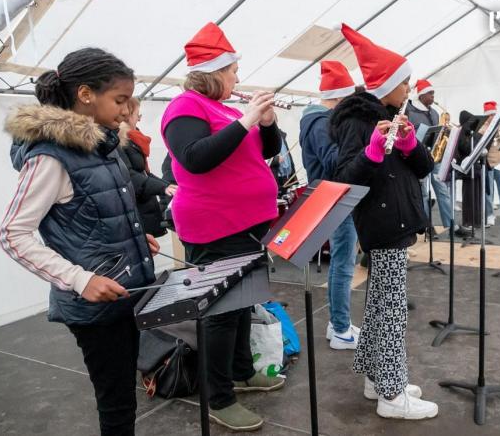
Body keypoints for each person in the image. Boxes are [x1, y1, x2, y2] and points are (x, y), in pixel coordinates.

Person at [0, 48, 159, 436]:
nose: (126, 110)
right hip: (95, 306)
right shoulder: (50, 157)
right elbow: (12, 233)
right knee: (117, 402)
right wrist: (79, 279)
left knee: (123, 393)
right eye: (119, 100)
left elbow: (95, 216)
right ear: (85, 95)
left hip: (124, 292)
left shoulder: (102, 146)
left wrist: (136, 238)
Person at [160, 23, 285, 431]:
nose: (237, 78)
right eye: (233, 71)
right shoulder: (185, 107)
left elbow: (265, 152)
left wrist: (264, 123)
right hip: (214, 226)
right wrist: (248, 117)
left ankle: (242, 371)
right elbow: (195, 157)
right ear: (215, 72)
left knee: (243, 301)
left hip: (246, 224)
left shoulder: (227, 109)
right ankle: (219, 397)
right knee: (220, 312)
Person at [331, 23, 438, 420]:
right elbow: (344, 179)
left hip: (398, 220)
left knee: (379, 304)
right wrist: (374, 153)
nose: (409, 89)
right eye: (405, 82)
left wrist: (410, 144)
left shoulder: (394, 114)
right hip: (380, 225)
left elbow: (425, 169)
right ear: (387, 85)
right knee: (392, 309)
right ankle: (393, 397)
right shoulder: (358, 123)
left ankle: (378, 377)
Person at [299, 60, 360, 350]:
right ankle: (340, 329)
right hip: (333, 197)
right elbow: (334, 161)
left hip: (334, 196)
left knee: (342, 262)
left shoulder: (321, 120)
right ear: (341, 98)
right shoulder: (321, 123)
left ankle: (340, 323)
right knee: (343, 264)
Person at [118, 97, 177, 237]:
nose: (139, 119)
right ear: (126, 115)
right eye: (137, 115)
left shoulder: (132, 141)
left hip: (145, 212)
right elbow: (129, 175)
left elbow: (144, 174)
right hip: (136, 214)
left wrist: (169, 186)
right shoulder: (120, 142)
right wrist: (164, 187)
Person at [406, 79, 453, 232]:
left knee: (442, 191)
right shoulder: (409, 111)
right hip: (419, 159)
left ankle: (450, 224)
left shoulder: (433, 112)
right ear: (421, 95)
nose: (433, 96)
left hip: (435, 157)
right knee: (424, 194)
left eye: (433, 93)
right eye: (430, 93)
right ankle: (427, 226)